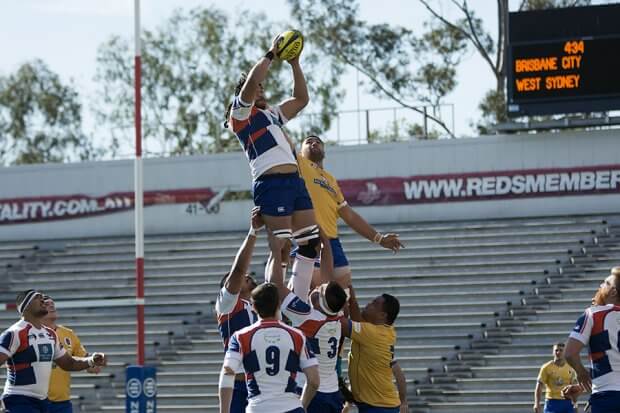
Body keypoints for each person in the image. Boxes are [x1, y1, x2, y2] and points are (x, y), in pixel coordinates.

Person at [225, 35, 320, 301]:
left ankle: (296, 302)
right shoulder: (240, 116)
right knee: (279, 247)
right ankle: (276, 302)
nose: (261, 88)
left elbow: (301, 99)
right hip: (272, 184)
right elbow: (253, 80)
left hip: (294, 182)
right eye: (257, 87)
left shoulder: (271, 114)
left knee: (311, 244)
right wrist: (270, 53)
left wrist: (294, 63)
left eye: (262, 87)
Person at [295, 135, 404, 288]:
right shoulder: (299, 164)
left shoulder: (330, 179)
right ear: (300, 151)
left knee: (342, 298)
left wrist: (379, 238)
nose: (314, 143)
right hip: (312, 240)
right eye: (308, 141)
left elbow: (349, 215)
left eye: (318, 142)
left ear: (325, 151)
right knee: (317, 297)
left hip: (333, 243)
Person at [268, 229, 348, 413]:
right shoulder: (334, 314)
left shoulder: (308, 317)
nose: (317, 287)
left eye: (319, 291)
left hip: (311, 392)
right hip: (331, 391)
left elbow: (276, 285)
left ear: (321, 301)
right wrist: (326, 244)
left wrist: (276, 252)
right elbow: (327, 279)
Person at [218, 283, 320, 413]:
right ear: (278, 303)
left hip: (258, 408)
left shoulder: (240, 337)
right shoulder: (297, 336)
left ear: (253, 307)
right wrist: (302, 405)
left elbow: (228, 372)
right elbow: (314, 381)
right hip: (290, 407)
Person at [0, 290, 106, 413]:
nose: (43, 301)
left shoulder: (50, 334)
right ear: (26, 306)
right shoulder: (15, 333)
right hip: (18, 401)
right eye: (37, 298)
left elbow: (68, 363)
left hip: (43, 402)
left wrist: (91, 360)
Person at [216, 210, 262, 413]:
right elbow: (238, 270)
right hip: (237, 385)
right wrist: (254, 230)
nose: (248, 276)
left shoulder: (257, 308)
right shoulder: (227, 305)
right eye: (244, 277)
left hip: (259, 383)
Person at [563, 267, 620, 413]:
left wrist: (581, 374)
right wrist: (585, 386)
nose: (600, 286)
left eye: (606, 283)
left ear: (613, 291)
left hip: (607, 397)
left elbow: (569, 354)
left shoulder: (593, 314)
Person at [342, 285, 404, 413]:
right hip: (380, 404)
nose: (369, 304)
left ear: (382, 315)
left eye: (374, 304)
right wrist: (352, 300)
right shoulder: (384, 331)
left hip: (379, 407)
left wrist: (332, 302)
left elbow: (340, 325)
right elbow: (358, 322)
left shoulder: (372, 333)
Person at [41, 296, 102, 413]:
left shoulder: (68, 334)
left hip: (61, 403)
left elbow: (89, 365)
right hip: (36, 401)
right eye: (46, 304)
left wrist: (95, 362)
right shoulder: (30, 334)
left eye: (52, 303)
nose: (51, 304)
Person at [533, 342, 578, 413]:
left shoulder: (571, 367)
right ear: (553, 353)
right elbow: (539, 386)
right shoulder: (546, 367)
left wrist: (575, 403)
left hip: (567, 402)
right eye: (556, 350)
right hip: (552, 402)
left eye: (561, 350)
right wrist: (537, 403)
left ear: (565, 352)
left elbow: (574, 387)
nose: (558, 352)